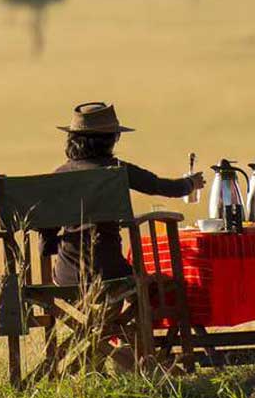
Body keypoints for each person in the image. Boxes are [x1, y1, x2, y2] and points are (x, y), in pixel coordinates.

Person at [44, 102, 205, 287]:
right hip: (112, 272)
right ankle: (120, 316)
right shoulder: (118, 171)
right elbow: (161, 186)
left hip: (66, 277)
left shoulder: (59, 175)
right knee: (151, 285)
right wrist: (191, 183)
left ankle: (101, 317)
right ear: (111, 139)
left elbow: (45, 236)